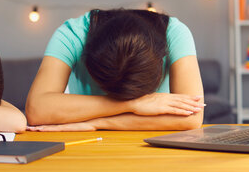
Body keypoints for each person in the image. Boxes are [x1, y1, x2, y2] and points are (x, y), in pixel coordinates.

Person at [25, 8, 204, 131]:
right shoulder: (73, 34)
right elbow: (36, 110)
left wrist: (98, 122)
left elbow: (192, 118)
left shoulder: (175, 33)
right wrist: (133, 105)